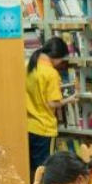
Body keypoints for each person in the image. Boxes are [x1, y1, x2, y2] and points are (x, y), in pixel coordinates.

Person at [26, 36, 73, 172]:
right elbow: (52, 103)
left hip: (29, 125)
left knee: (33, 169)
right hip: (44, 127)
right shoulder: (51, 73)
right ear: (57, 57)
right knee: (45, 170)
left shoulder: (29, 67)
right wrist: (70, 99)